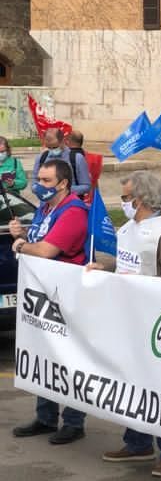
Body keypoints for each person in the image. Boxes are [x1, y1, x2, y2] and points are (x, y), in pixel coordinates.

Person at [88, 171, 161, 476]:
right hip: (129, 317)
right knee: (131, 383)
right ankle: (137, 442)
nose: (124, 203)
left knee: (160, 387)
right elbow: (124, 261)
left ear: (142, 199)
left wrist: (142, 284)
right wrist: (103, 266)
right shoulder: (129, 228)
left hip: (157, 321)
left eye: (126, 197)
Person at [10, 159, 89, 444]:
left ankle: (73, 421)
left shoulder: (74, 211)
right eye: (39, 180)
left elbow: (44, 250)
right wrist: (22, 235)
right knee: (44, 355)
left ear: (63, 183)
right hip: (42, 293)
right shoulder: (45, 208)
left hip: (66, 294)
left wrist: (21, 246)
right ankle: (45, 417)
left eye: (45, 181)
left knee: (68, 360)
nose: (39, 186)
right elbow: (37, 239)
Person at [34, 128, 90, 197]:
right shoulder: (41, 158)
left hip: (70, 204)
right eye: (48, 147)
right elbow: (34, 182)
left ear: (63, 141)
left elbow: (86, 186)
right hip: (47, 205)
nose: (51, 150)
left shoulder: (77, 158)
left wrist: (62, 189)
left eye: (55, 147)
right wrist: (39, 189)